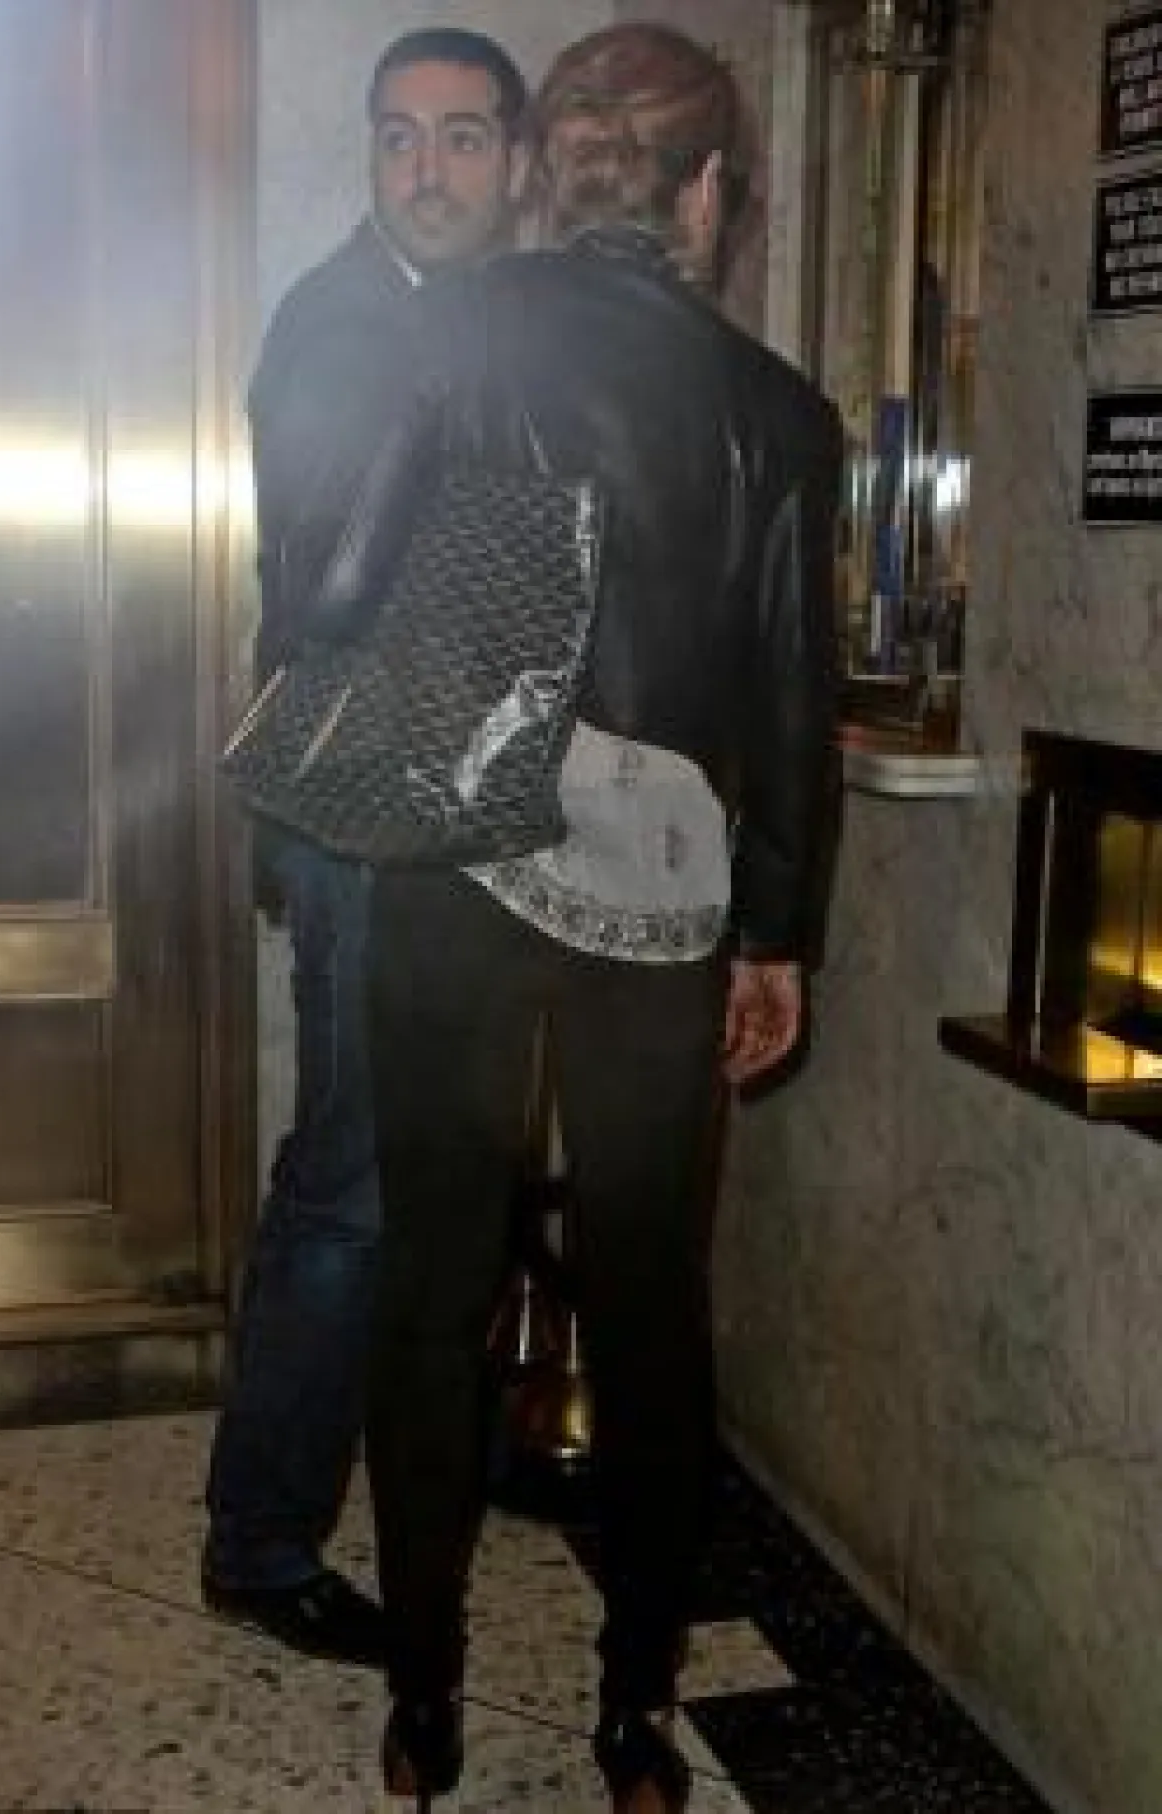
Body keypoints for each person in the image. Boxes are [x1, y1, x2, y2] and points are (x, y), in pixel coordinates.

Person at [320, 23, 845, 1810]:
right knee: (648, 1305)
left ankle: (422, 1704)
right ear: (707, 193)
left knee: (431, 1287)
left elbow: (341, 586)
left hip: (459, 866)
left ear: (549, 175)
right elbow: (793, 703)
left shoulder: (449, 332)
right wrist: (776, 934)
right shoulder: (778, 414)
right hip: (662, 892)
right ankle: (634, 1721)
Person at [201, 27, 529, 1668]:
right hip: (364, 811)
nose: (427, 169)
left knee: (403, 1172)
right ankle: (262, 1541)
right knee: (351, 1183)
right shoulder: (343, 324)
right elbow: (334, 587)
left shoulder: (477, 321)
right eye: (400, 137)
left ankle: (391, 1464)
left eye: (461, 138)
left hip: (448, 805)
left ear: (515, 162)